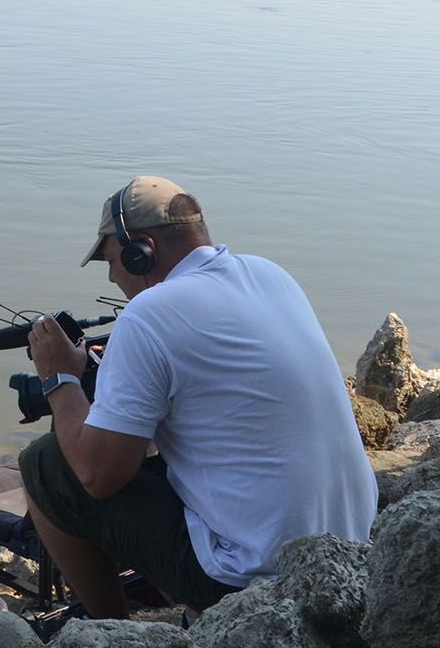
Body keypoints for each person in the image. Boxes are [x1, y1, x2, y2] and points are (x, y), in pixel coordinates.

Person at [22, 175, 376, 617]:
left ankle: (110, 633)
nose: (113, 276)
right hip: (348, 552)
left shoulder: (148, 315)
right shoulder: (270, 274)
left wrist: (59, 380)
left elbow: (98, 475)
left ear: (141, 252)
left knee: (45, 464)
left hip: (251, 582)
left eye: (112, 260)